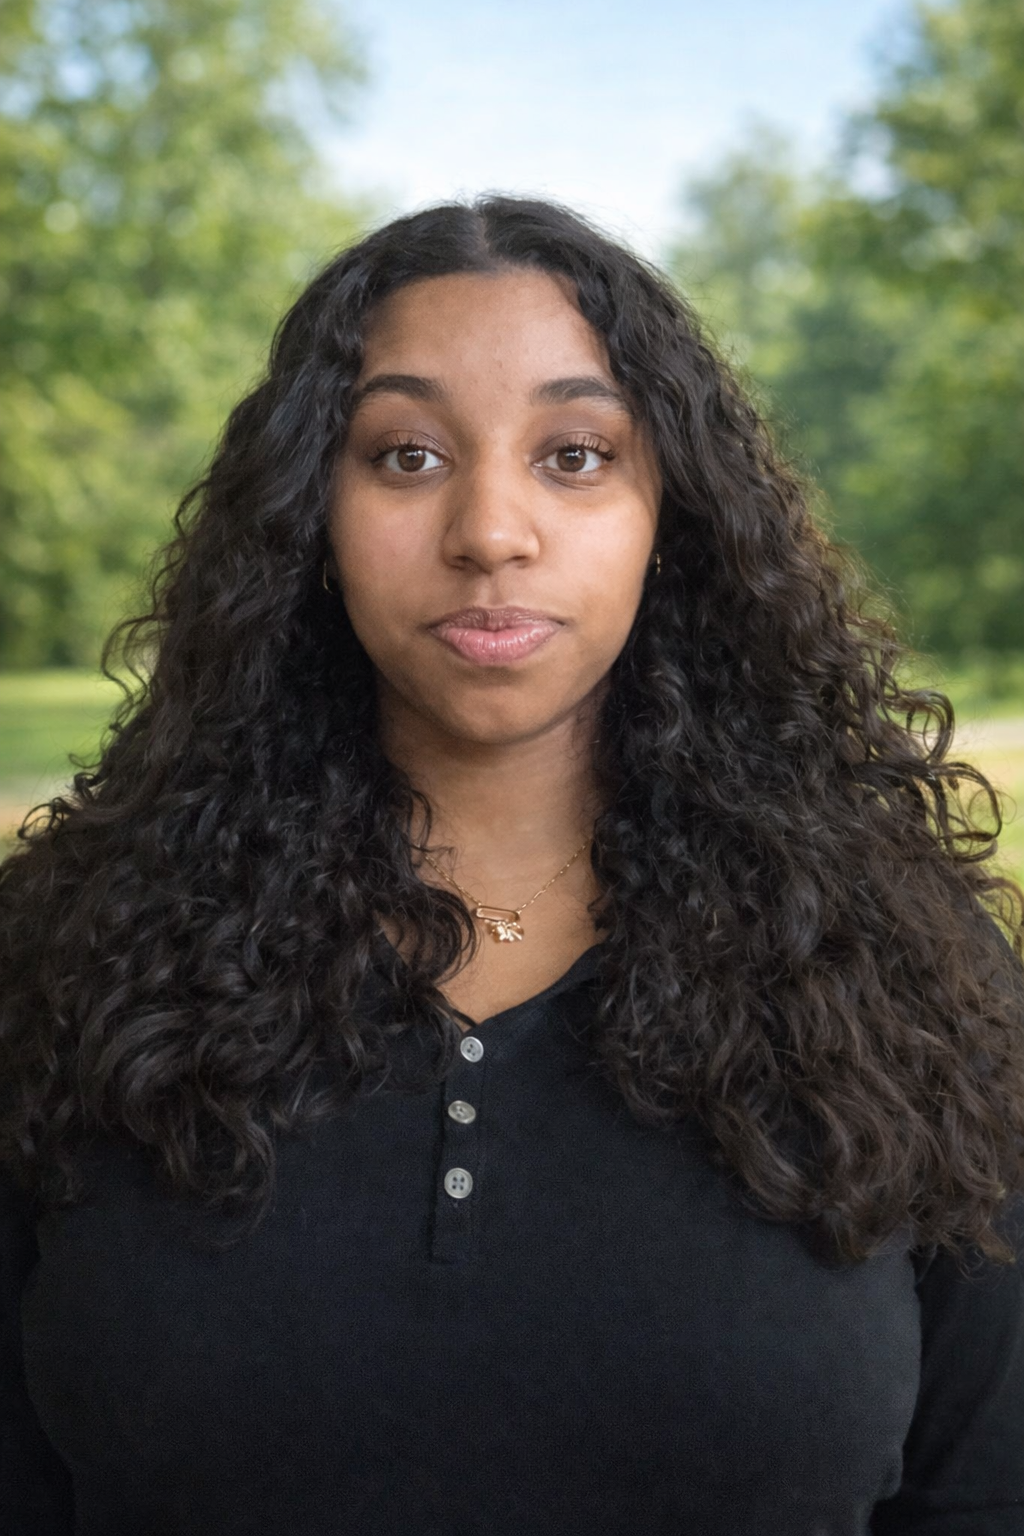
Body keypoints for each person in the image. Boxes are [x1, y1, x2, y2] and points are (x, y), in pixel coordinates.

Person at [2, 193, 1023, 1536]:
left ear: (677, 513)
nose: (491, 530)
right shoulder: (67, 958)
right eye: (409, 455)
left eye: (578, 453)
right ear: (309, 510)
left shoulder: (913, 972)